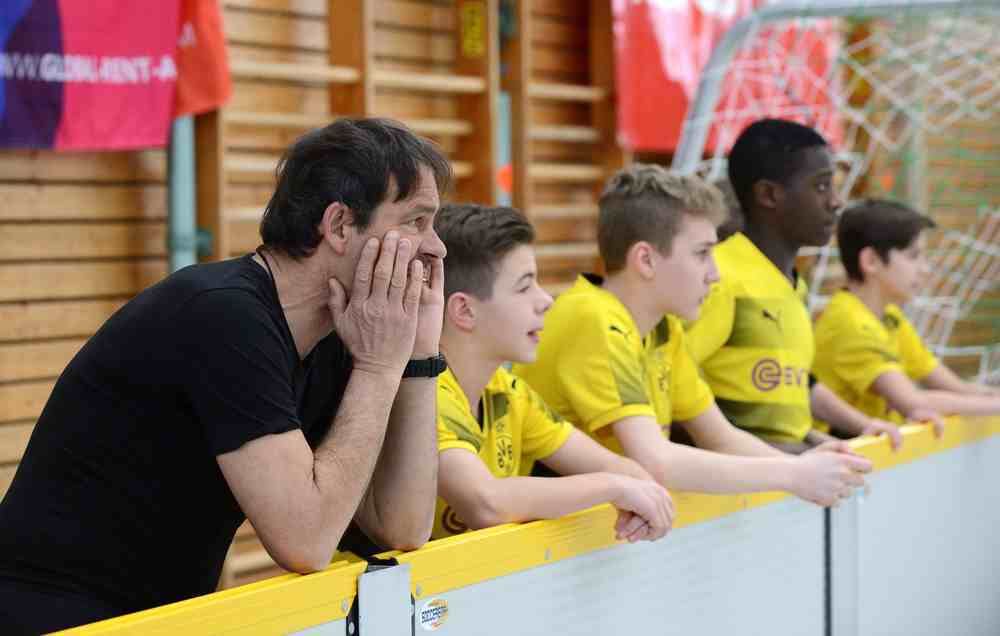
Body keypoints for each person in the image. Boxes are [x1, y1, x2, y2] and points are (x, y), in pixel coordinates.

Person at [0, 118, 450, 632]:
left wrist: (417, 355)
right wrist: (377, 367)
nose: (435, 248)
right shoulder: (223, 315)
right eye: (416, 222)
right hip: (49, 613)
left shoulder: (344, 333)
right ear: (341, 225)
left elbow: (402, 526)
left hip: (153, 616)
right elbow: (306, 541)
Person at [514, 164, 871, 506]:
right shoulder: (595, 319)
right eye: (702, 254)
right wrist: (792, 474)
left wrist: (800, 463)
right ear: (646, 260)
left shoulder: (663, 330)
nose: (714, 274)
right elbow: (657, 462)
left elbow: (720, 437)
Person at [429, 203, 673, 544]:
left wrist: (632, 487)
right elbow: (486, 504)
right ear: (465, 311)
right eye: (524, 286)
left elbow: (629, 472)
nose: (545, 300)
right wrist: (613, 488)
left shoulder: (507, 390)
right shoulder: (428, 391)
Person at [685, 118, 906, 454]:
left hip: (783, 483)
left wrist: (848, 431)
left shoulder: (792, 285)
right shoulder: (718, 278)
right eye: (821, 186)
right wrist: (786, 457)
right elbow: (674, 393)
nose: (835, 201)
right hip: (731, 497)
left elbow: (795, 388)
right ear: (769, 194)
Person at [813, 198, 1000, 425]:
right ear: (871, 261)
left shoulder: (889, 316)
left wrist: (990, 397)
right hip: (838, 454)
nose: (925, 269)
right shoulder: (849, 324)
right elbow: (914, 402)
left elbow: (957, 388)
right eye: (913, 256)